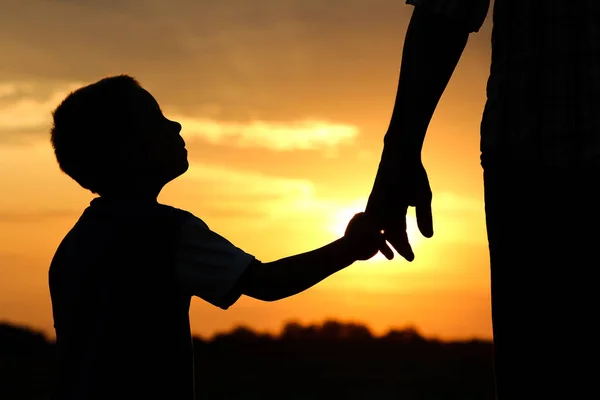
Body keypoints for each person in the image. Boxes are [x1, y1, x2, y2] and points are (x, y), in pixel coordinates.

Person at [48, 75, 385, 400]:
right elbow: (267, 283)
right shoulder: (168, 231)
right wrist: (349, 248)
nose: (175, 126)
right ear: (126, 149)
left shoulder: (73, 245)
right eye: (157, 120)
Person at [365, 1, 600, 398]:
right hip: (527, 167)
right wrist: (399, 151)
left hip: (528, 162)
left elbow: (447, 10)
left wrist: (400, 151)